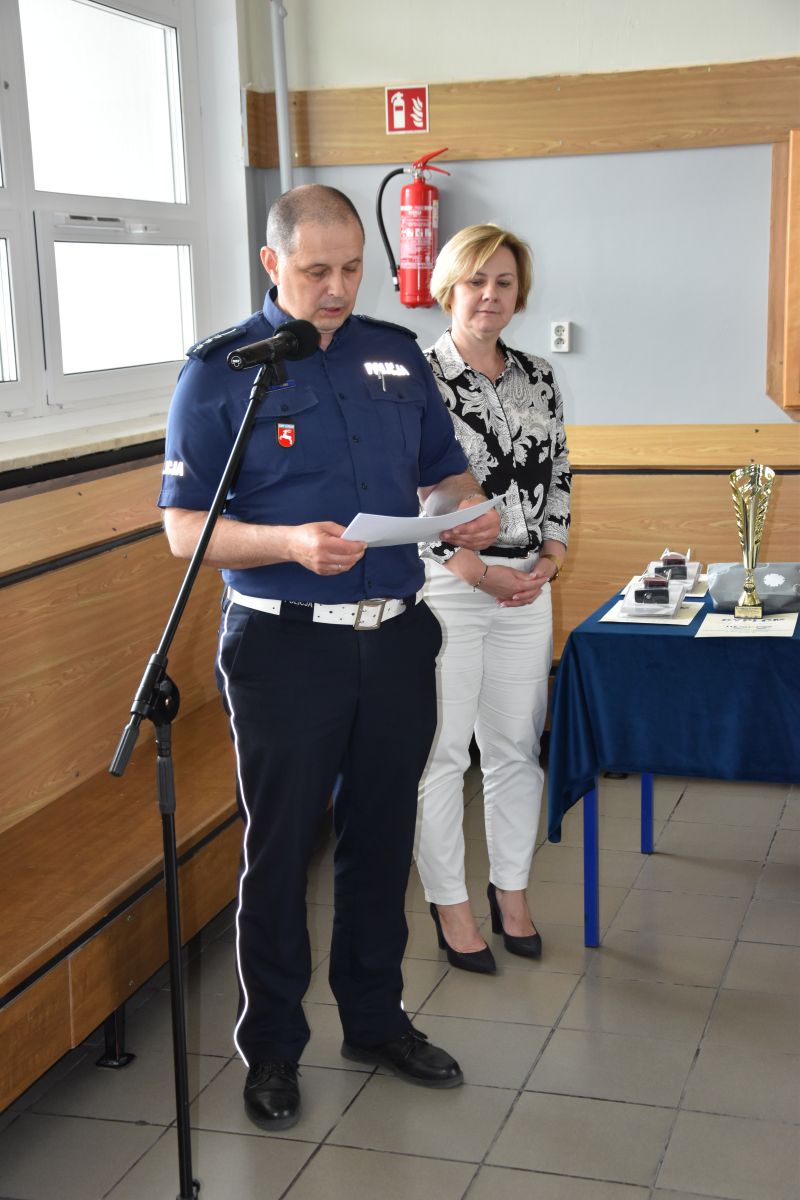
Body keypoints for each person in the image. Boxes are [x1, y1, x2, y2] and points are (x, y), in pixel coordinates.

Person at [157, 186, 500, 1130]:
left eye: (352, 268)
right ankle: (271, 1046)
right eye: (317, 271)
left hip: (394, 634)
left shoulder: (393, 354)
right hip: (283, 644)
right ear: (273, 264)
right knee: (279, 851)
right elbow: (184, 530)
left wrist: (466, 510)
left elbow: (444, 469)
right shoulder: (223, 372)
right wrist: (288, 544)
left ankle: (375, 1020)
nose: (339, 288)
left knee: (381, 836)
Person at [415, 223, 571, 974]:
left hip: (527, 590)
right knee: (444, 753)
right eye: (476, 281)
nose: (489, 295)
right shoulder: (416, 378)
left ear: (519, 294)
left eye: (503, 282)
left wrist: (553, 555)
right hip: (448, 588)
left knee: (514, 750)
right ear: (449, 287)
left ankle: (511, 892)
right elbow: (403, 494)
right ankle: (450, 905)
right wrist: (475, 571)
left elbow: (559, 472)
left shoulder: (538, 375)